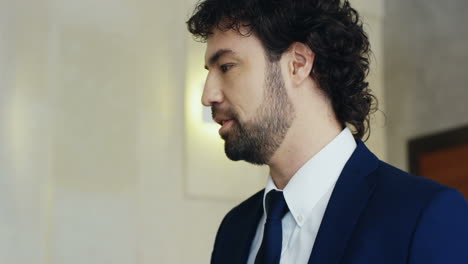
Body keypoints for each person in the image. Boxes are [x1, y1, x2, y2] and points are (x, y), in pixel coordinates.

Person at [186, 0, 468, 263]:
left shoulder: (424, 216)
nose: (207, 95)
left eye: (226, 67)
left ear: (297, 64)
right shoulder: (234, 230)